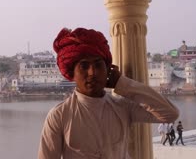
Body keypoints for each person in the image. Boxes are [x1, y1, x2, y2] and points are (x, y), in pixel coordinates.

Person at [38, 27, 179, 159]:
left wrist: (122, 83)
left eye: (98, 65)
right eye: (84, 66)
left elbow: (170, 114)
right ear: (71, 73)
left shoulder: (122, 107)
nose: (92, 73)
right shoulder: (60, 116)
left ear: (108, 69)